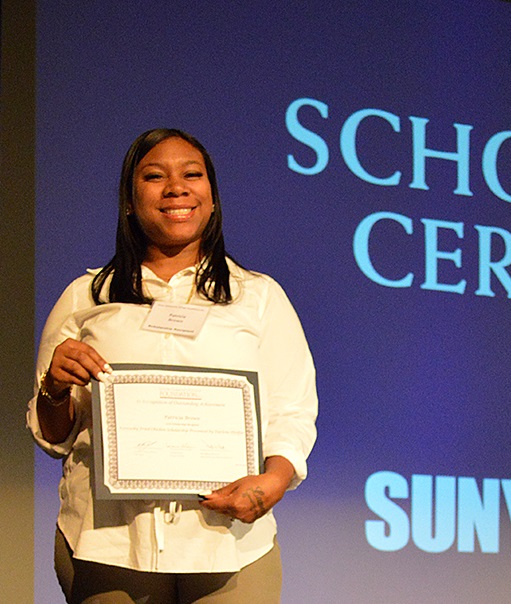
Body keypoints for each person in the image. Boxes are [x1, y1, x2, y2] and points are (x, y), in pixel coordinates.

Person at [27, 128, 318, 603]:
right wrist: (54, 389)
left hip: (228, 544)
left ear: (212, 197)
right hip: (109, 542)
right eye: (154, 176)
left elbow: (292, 411)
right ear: (128, 200)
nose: (177, 188)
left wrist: (271, 483)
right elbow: (56, 436)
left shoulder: (258, 297)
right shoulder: (86, 297)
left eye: (192, 175)